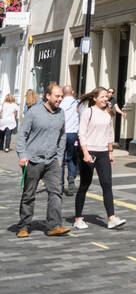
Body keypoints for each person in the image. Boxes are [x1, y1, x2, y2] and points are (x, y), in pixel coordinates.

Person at [16, 82, 70, 238]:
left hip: (52, 160)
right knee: (29, 194)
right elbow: (22, 135)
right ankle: (24, 225)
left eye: (61, 96)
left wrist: (60, 157)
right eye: (57, 96)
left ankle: (54, 225)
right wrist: (22, 155)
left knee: (56, 192)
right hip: (32, 159)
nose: (60, 99)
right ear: (48, 96)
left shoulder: (61, 113)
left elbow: (62, 136)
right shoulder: (34, 112)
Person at [73, 86, 126, 231]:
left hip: (103, 152)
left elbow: (110, 134)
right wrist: (85, 153)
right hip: (89, 151)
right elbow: (81, 134)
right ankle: (78, 218)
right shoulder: (88, 113)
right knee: (85, 185)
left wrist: (110, 152)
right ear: (95, 98)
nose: (105, 99)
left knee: (107, 184)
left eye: (106, 97)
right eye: (102, 97)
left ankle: (111, 218)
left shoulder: (108, 114)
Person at [59, 83, 80, 194]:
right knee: (72, 158)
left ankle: (61, 185)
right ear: (72, 92)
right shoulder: (77, 103)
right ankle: (71, 177)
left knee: (61, 159)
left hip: (62, 133)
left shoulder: (60, 104)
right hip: (73, 134)